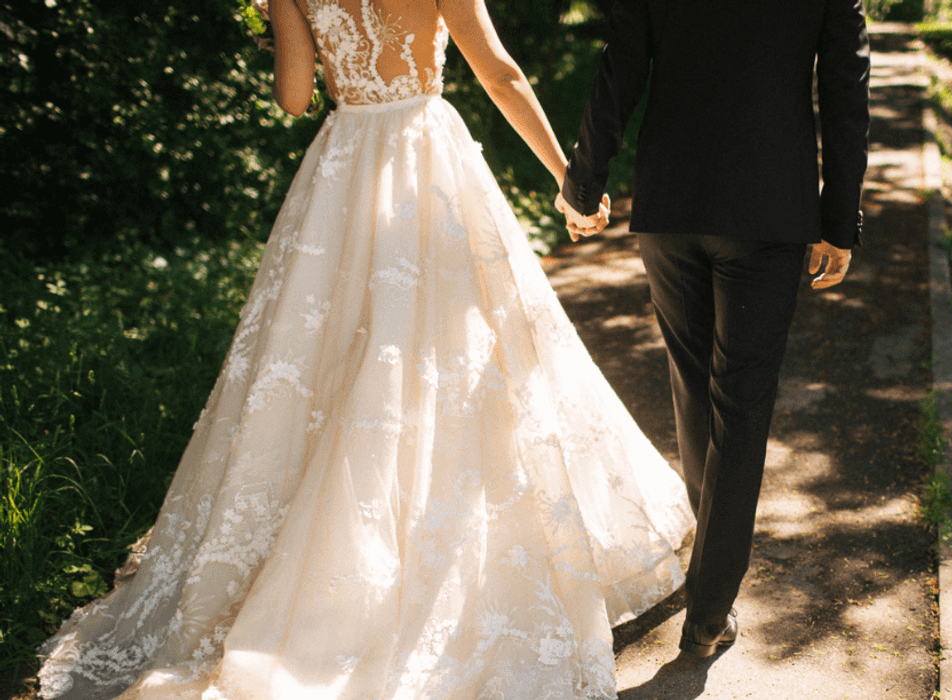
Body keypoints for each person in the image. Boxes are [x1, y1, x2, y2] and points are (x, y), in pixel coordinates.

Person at [35, 1, 695, 698]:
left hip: (344, 165)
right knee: (462, 347)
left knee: (331, 353)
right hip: (425, 161)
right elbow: (499, 75)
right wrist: (569, 174)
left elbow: (294, 100)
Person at [557, 0, 870, 658]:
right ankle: (707, 612)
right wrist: (838, 220)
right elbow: (845, 83)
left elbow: (621, 65)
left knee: (695, 386)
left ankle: (708, 573)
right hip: (766, 206)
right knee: (741, 402)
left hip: (671, 200)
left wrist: (583, 182)